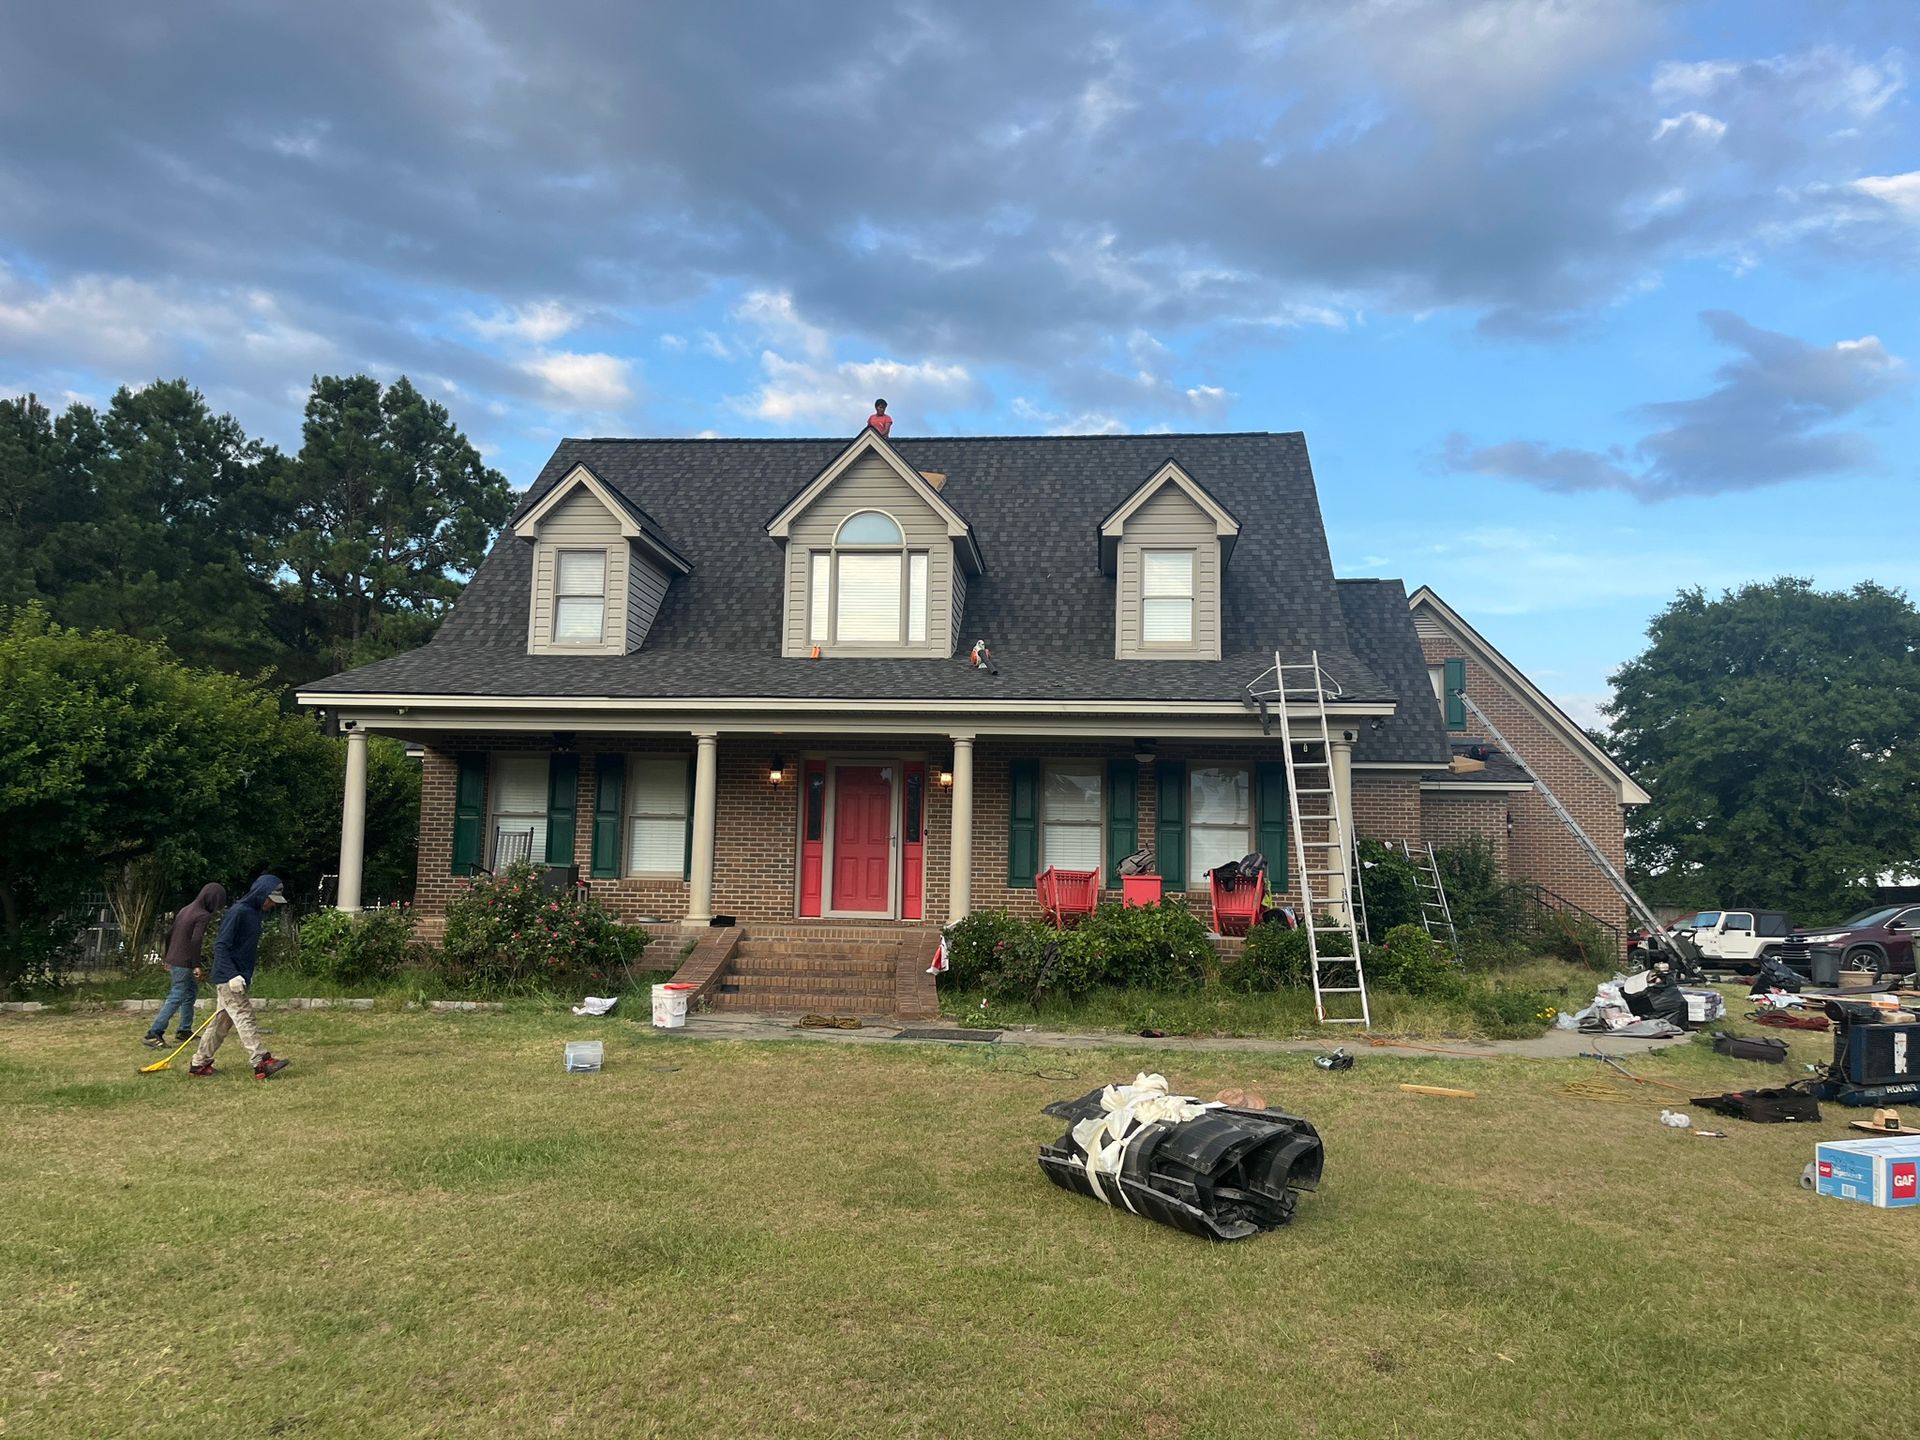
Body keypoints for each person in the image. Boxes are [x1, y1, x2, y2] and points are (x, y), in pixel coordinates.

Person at [189, 875, 291, 1079]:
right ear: (260, 894)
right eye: (269, 899)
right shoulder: (238, 912)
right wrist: (232, 975)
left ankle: (199, 1064)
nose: (271, 904)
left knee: (221, 1023)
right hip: (229, 977)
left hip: (239, 976)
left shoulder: (255, 913)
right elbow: (221, 945)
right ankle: (260, 1061)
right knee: (245, 1016)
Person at [141, 882, 226, 1049]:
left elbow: (168, 933)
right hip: (185, 961)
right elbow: (196, 940)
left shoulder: (186, 909)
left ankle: (184, 1030)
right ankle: (154, 1033)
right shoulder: (202, 915)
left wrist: (167, 957)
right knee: (178, 994)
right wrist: (196, 965)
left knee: (190, 992)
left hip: (175, 958)